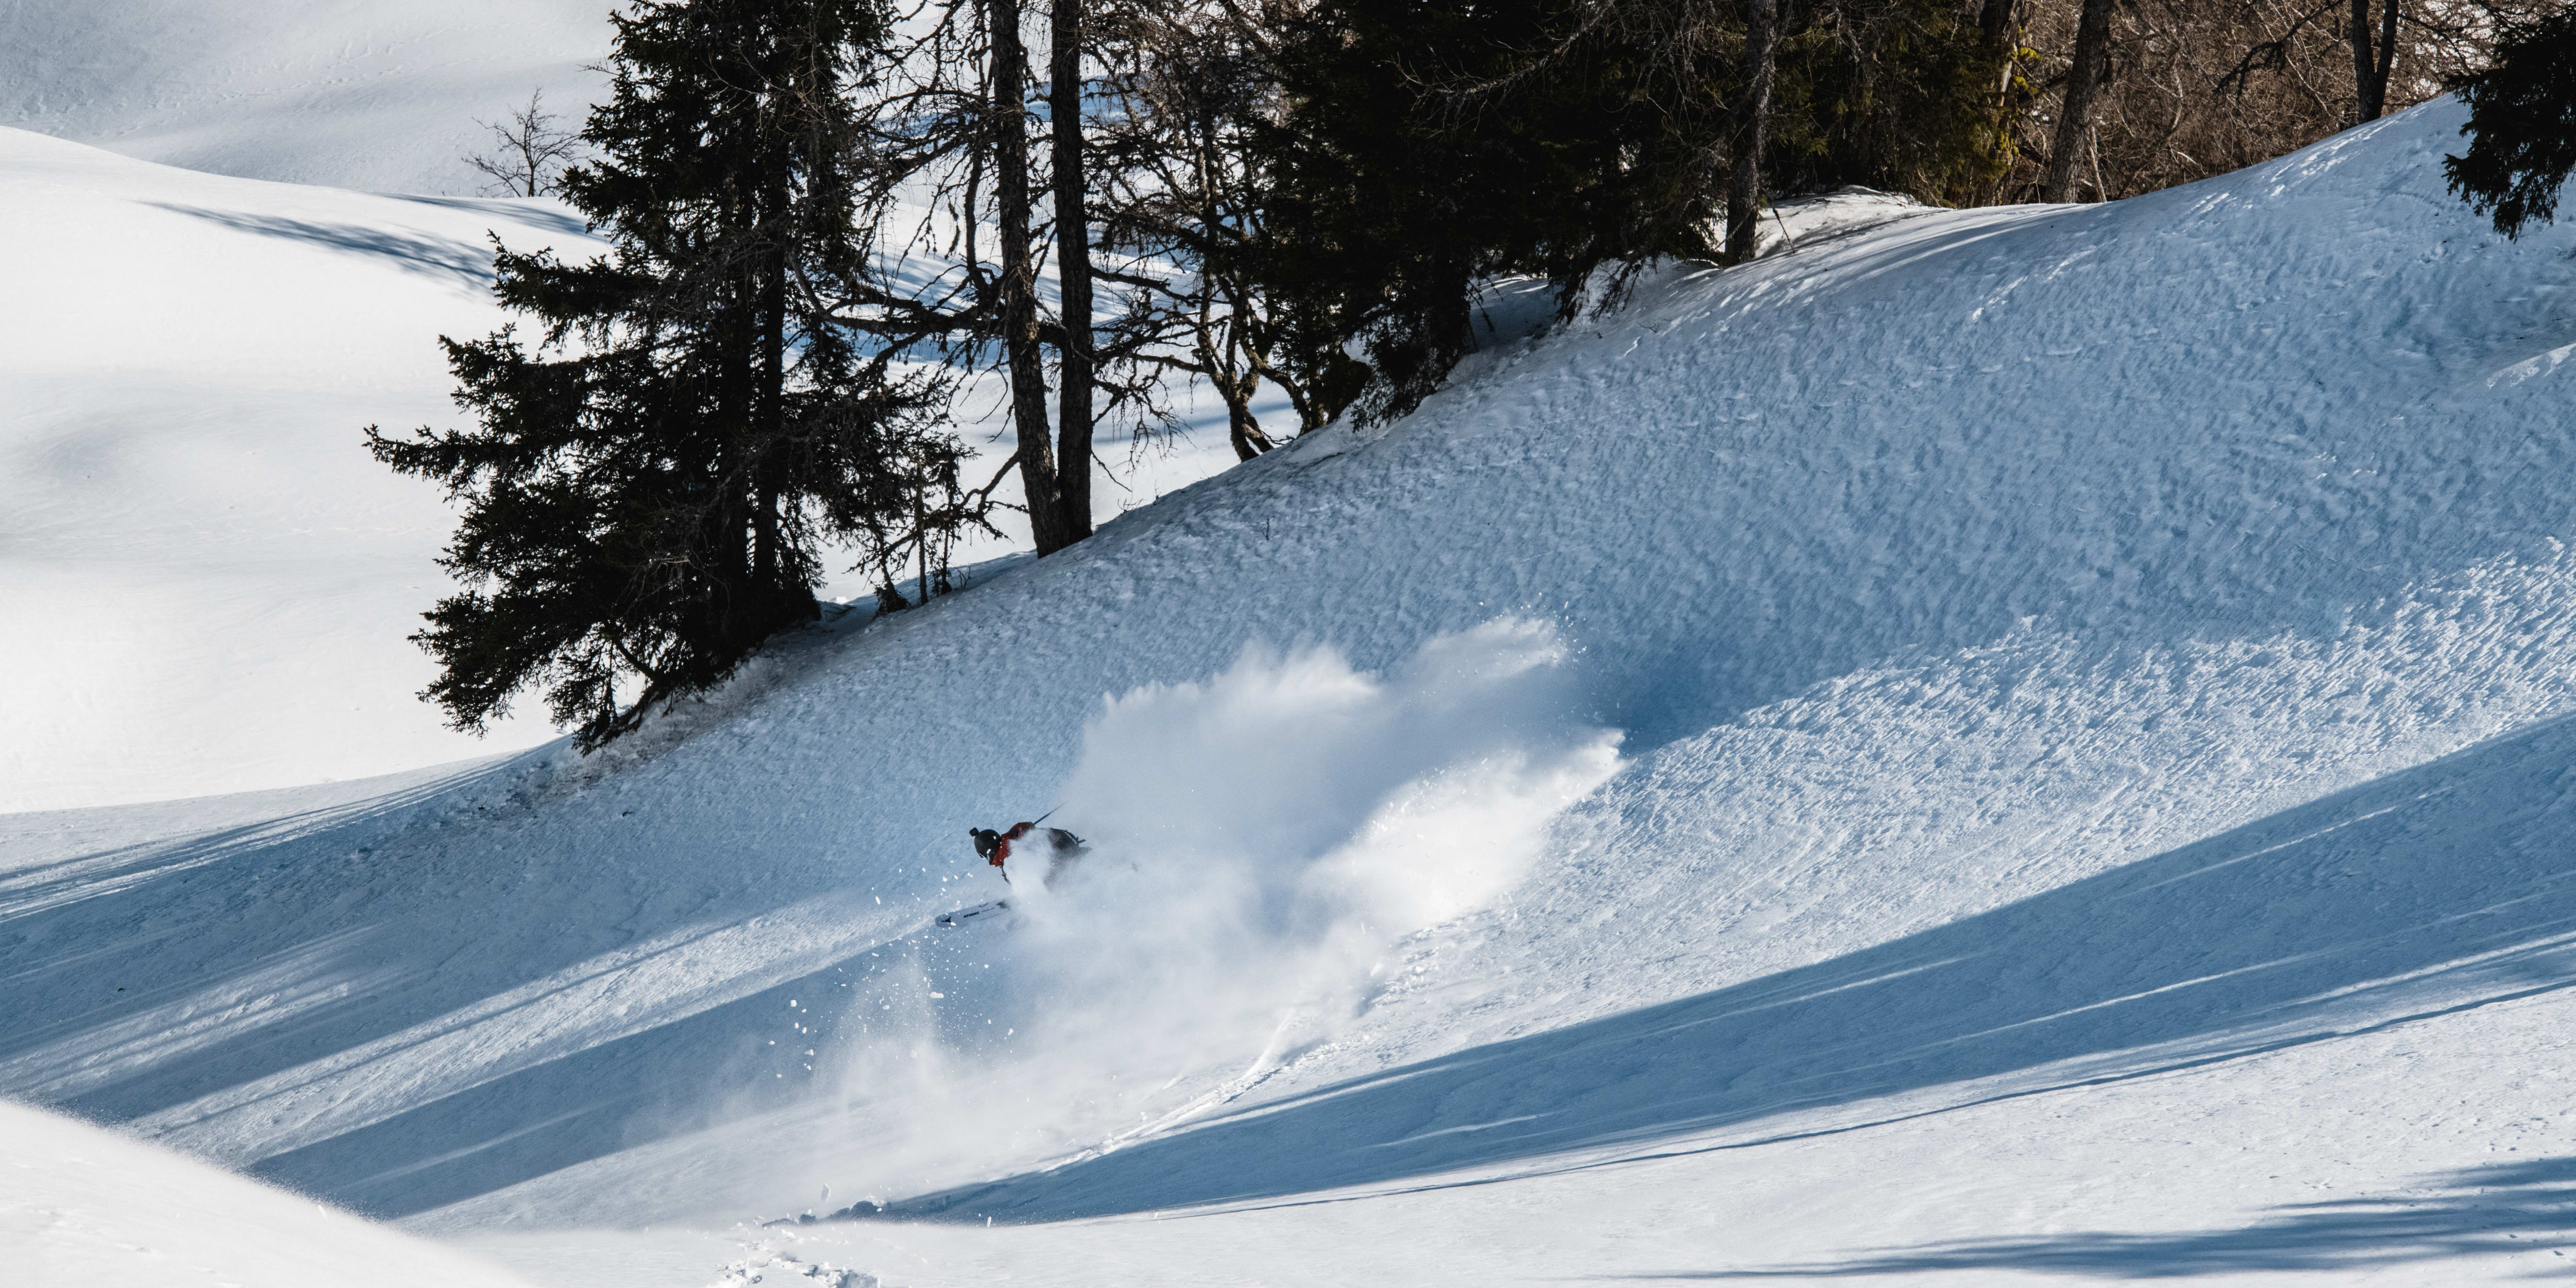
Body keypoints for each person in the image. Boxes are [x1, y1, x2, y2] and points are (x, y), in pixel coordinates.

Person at [968, 821, 1087, 887]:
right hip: (1070, 844)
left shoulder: (1007, 859)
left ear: (986, 853)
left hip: (1066, 865)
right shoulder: (1011, 839)